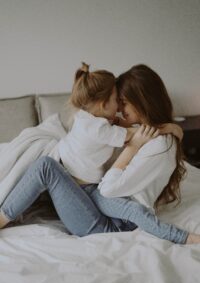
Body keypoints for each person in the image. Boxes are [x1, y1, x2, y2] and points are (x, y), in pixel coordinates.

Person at [0, 64, 199, 244]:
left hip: (102, 224)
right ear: (104, 105)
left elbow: (115, 196)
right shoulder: (108, 129)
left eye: (123, 102)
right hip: (92, 199)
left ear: (142, 101)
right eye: (117, 101)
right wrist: (172, 127)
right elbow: (135, 133)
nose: (120, 110)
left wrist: (140, 143)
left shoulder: (154, 145)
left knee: (45, 167)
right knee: (45, 166)